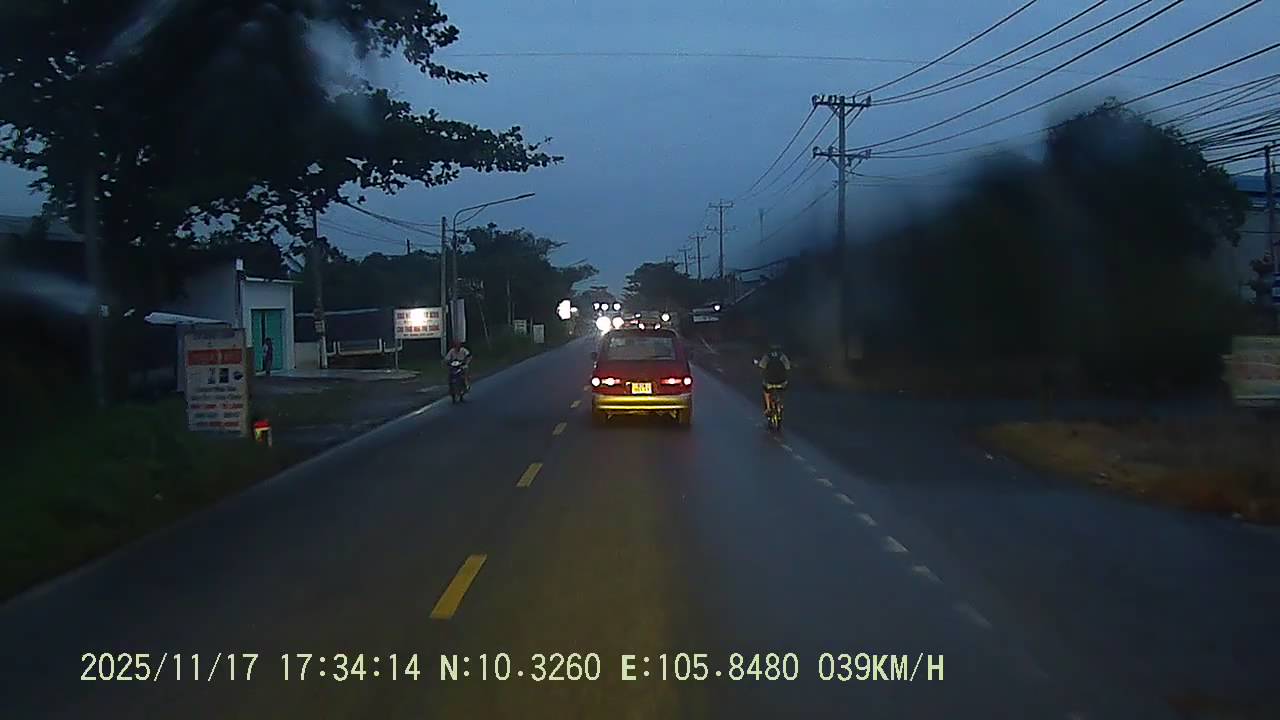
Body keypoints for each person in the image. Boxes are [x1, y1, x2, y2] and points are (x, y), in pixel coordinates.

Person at [757, 341, 791, 416]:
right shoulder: (782, 356)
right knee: (782, 391)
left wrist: (762, 374)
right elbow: (788, 367)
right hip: (781, 381)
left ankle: (768, 408)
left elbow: (761, 367)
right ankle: (781, 404)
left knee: (766, 392)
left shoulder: (767, 356)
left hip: (769, 381)